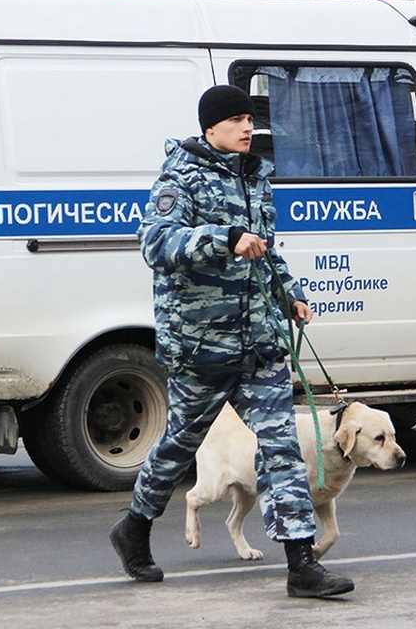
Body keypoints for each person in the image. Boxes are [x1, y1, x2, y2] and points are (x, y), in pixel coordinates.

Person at [109, 85, 355, 598]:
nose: (248, 128)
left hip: (258, 345)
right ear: (211, 128)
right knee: (178, 446)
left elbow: (265, 250)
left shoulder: (256, 178)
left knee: (282, 447)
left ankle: (301, 565)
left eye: (250, 118)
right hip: (201, 347)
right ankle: (133, 528)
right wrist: (223, 237)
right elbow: (155, 243)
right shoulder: (181, 177)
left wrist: (291, 293)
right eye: (238, 119)